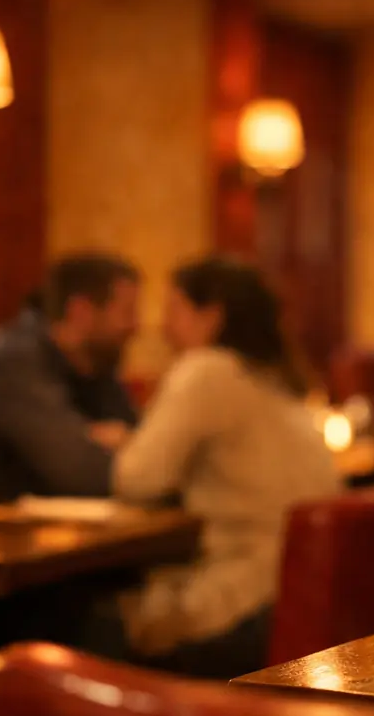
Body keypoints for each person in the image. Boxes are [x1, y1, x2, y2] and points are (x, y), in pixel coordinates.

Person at [107, 257, 341, 677]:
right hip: (309, 599)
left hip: (247, 606)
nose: (162, 326)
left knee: (88, 623)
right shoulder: (277, 377)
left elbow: (137, 480)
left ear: (211, 316)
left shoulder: (206, 370)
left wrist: (121, 445)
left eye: (174, 309)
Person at [0, 252, 140, 502]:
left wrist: (92, 437)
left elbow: (137, 445)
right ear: (81, 312)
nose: (136, 326)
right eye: (127, 313)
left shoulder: (95, 365)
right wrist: (91, 438)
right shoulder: (12, 362)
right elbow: (82, 471)